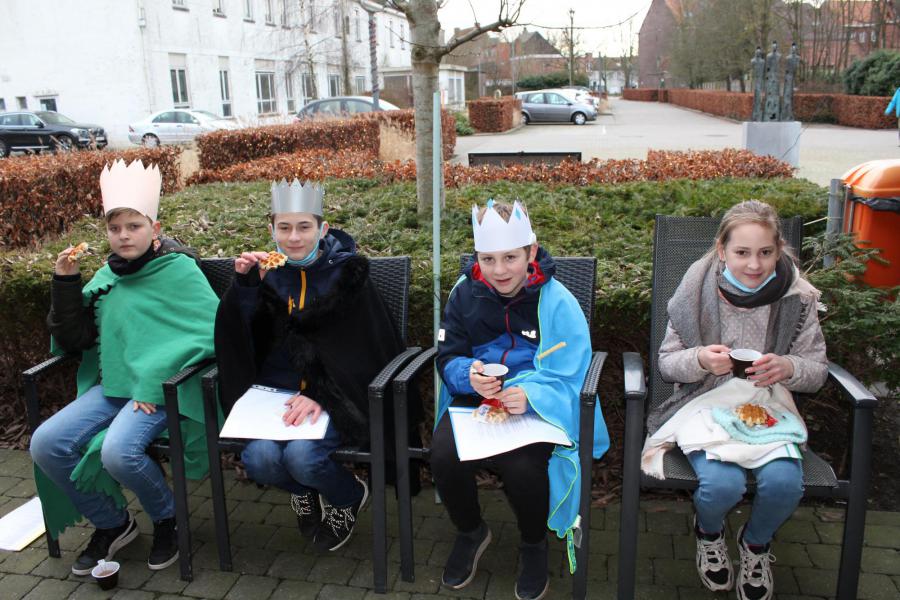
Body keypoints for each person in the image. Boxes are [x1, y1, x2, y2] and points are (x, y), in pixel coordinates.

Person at [30, 159, 219, 575]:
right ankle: (113, 522)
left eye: (134, 226)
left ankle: (169, 518)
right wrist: (65, 282)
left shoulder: (179, 269)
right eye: (115, 228)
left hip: (162, 390)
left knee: (119, 452)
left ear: (154, 226)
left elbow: (208, 332)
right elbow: (76, 338)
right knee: (46, 443)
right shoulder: (107, 275)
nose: (123, 235)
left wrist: (153, 384)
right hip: (114, 386)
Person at [643, 200, 827, 600]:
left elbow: (817, 370)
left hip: (770, 406)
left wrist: (790, 368)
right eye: (742, 252)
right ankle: (708, 533)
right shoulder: (695, 288)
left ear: (779, 249)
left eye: (765, 252)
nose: (754, 265)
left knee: (783, 485)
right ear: (722, 249)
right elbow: (667, 364)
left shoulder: (797, 297)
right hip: (705, 404)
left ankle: (755, 543)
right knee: (720, 487)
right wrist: (701, 359)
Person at [213, 179, 404, 552]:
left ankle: (348, 497)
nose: (294, 237)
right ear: (271, 230)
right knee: (259, 459)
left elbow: (367, 351)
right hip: (274, 393)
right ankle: (304, 493)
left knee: (303, 457)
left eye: (304, 227)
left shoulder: (348, 275)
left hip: (334, 393)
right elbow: (244, 341)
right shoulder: (268, 271)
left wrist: (320, 393)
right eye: (284, 227)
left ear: (323, 229)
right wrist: (247, 288)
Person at [432, 200, 609, 600]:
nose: (499, 270)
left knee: (523, 465)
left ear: (531, 252)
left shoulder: (558, 299)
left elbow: (572, 367)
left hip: (538, 403)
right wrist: (469, 375)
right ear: (477, 256)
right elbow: (449, 355)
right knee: (443, 454)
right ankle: (471, 530)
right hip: (475, 399)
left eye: (510, 257)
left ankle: (533, 544)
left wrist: (530, 393)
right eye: (488, 259)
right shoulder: (464, 294)